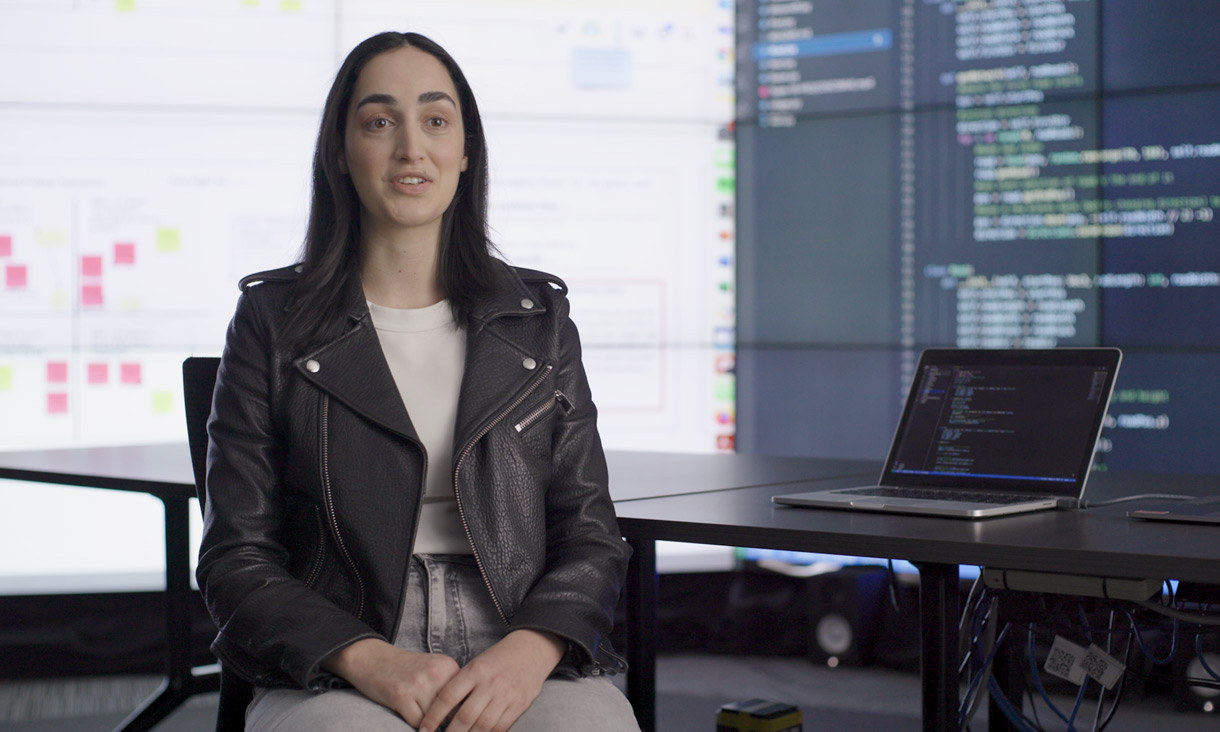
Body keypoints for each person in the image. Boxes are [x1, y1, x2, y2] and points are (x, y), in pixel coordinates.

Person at [196, 31, 640, 732]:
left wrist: (531, 648)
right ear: (341, 154)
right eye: (380, 122)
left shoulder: (539, 319)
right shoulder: (269, 320)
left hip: (517, 634)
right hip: (340, 649)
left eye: (436, 121)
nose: (412, 147)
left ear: (466, 154)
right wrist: (368, 657)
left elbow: (590, 534)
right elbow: (235, 559)